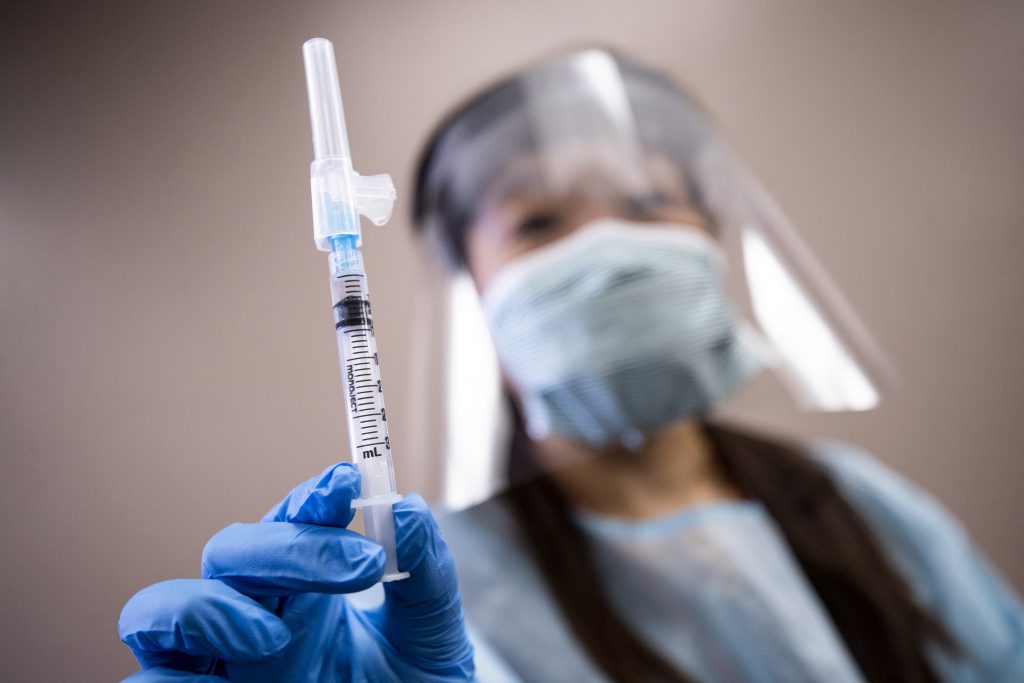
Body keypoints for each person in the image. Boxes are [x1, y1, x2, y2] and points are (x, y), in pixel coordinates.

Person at [118, 49, 1024, 682]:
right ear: (473, 294)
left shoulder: (859, 505)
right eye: (540, 223)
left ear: (715, 239)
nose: (610, 245)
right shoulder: (419, 600)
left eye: (646, 201)